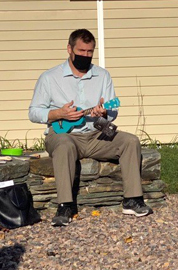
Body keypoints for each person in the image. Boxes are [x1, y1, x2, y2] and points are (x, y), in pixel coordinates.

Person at [29, 28, 152, 226]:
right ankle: (65, 206)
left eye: (90, 52)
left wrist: (105, 113)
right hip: (63, 134)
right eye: (81, 51)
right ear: (69, 49)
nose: (85, 56)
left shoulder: (102, 76)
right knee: (64, 146)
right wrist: (59, 113)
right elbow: (33, 112)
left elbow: (113, 109)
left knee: (130, 141)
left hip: (96, 133)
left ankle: (132, 199)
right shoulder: (49, 77)